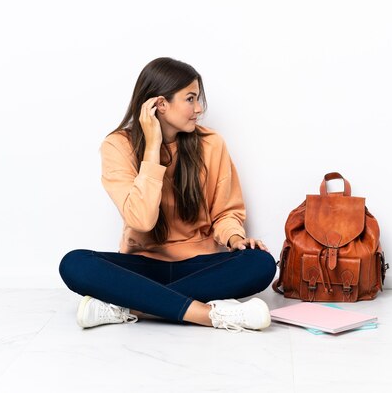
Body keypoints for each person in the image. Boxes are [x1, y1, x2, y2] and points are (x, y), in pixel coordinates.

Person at [59, 57, 277, 332]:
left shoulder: (211, 144)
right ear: (161, 104)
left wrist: (235, 238)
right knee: (75, 263)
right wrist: (152, 148)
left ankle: (126, 306)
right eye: (190, 99)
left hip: (200, 266)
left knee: (261, 263)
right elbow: (141, 221)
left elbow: (226, 212)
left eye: (198, 99)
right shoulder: (117, 146)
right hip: (143, 265)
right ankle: (211, 315)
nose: (198, 109)